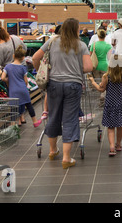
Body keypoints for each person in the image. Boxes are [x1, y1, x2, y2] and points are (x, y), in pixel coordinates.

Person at [32, 18, 93, 169]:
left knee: (53, 115)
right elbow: (88, 67)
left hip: (53, 84)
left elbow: (35, 58)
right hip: (73, 85)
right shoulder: (81, 45)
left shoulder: (52, 42)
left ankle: (53, 151)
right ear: (75, 29)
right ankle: (66, 158)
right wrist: (76, 68)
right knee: (70, 119)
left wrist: (41, 70)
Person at [88, 54, 122, 156]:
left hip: (110, 104)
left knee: (110, 127)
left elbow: (101, 89)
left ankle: (111, 147)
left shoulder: (106, 77)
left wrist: (93, 82)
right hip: (120, 104)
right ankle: (118, 145)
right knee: (120, 125)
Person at [1, 45, 42, 127]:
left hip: (13, 90)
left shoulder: (7, 67)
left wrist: (8, 80)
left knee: (14, 108)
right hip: (23, 89)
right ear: (23, 58)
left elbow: (2, 78)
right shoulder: (23, 68)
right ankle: (35, 121)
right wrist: (25, 85)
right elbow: (26, 81)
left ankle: (13, 125)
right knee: (29, 105)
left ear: (13, 56)